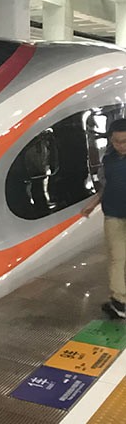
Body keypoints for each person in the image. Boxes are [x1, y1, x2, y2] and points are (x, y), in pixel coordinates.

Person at [81, 118, 126, 320]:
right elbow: (106, 186)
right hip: (114, 215)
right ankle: (120, 302)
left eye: (125, 141)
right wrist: (93, 203)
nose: (121, 146)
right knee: (117, 258)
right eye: (116, 141)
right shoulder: (108, 159)